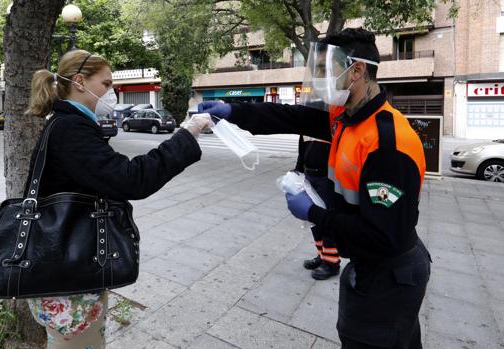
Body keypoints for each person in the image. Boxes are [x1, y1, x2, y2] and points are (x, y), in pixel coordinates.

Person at [199, 28, 430, 349]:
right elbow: (291, 117)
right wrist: (234, 111)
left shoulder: (388, 143)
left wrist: (314, 214)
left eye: (325, 70)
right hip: (370, 266)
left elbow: (382, 236)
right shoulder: (347, 117)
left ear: (357, 70)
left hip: (390, 275)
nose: (318, 78)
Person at [24, 49, 212, 349]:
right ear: (79, 82)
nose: (111, 93)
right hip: (68, 280)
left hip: (65, 268)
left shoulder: (66, 123)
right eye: (106, 84)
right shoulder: (71, 129)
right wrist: (185, 136)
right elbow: (130, 179)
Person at [295, 135, 340, 280]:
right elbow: (302, 151)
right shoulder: (307, 124)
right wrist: (298, 171)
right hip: (309, 177)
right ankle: (322, 255)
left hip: (328, 179)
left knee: (327, 219)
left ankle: (332, 262)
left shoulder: (331, 123)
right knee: (314, 220)